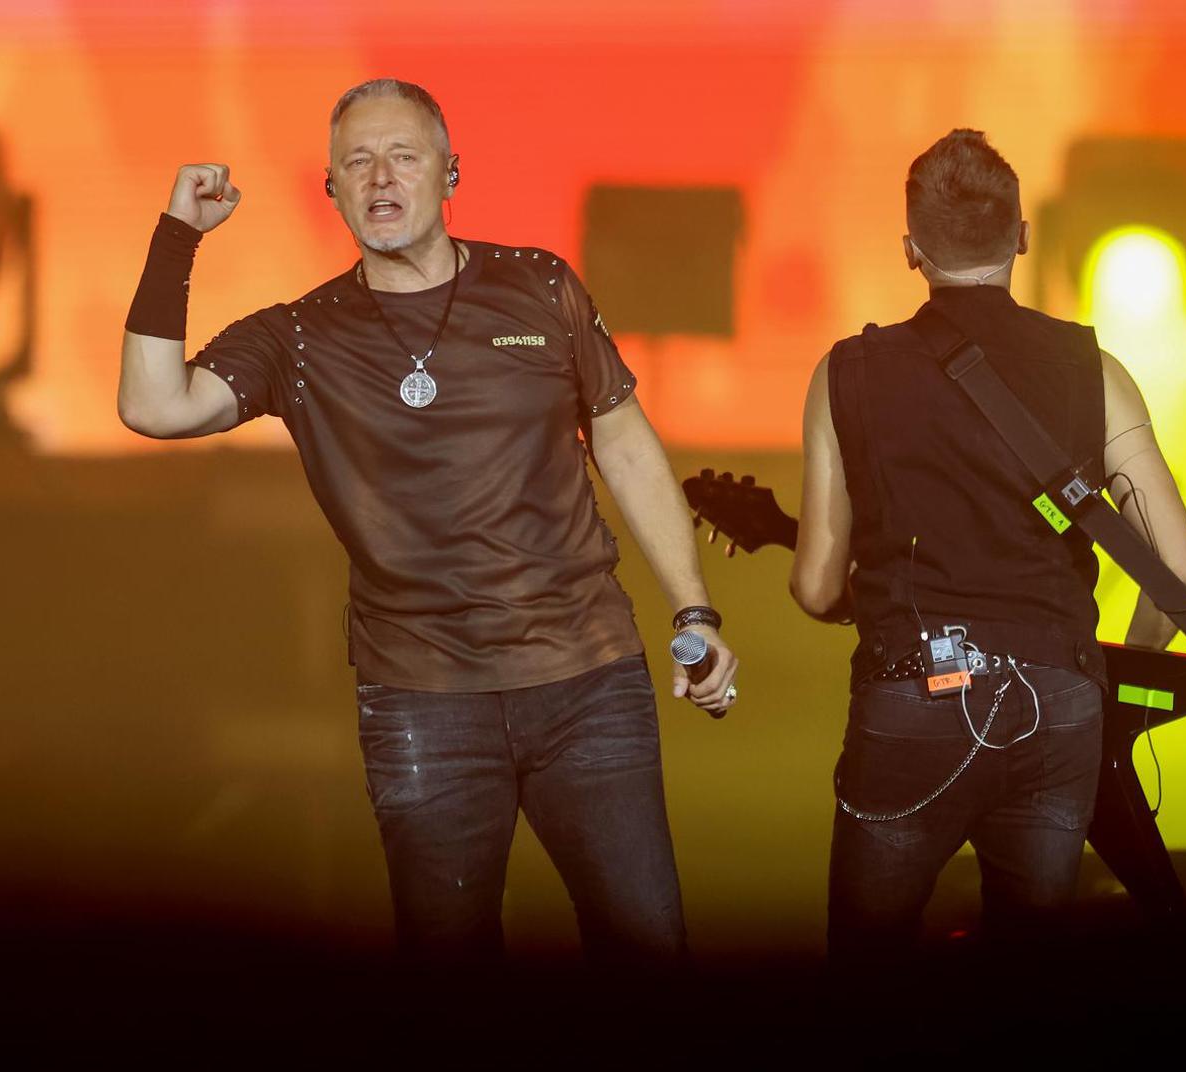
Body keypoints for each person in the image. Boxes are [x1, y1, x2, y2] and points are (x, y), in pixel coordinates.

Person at [116, 78, 738, 966]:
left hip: (586, 683)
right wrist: (178, 236)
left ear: (451, 174)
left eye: (403, 156)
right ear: (331, 191)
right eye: (356, 162)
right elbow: (152, 405)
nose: (380, 177)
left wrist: (694, 611)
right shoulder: (301, 337)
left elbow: (625, 442)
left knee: (645, 949)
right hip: (422, 704)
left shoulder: (539, 287)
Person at [789, 129, 1186, 964]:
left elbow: (818, 587)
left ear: (910, 249)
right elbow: (1179, 568)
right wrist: (1117, 679)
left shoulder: (845, 373)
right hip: (1059, 703)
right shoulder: (1096, 371)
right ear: (1022, 236)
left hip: (913, 696)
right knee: (1030, 976)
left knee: (866, 972)